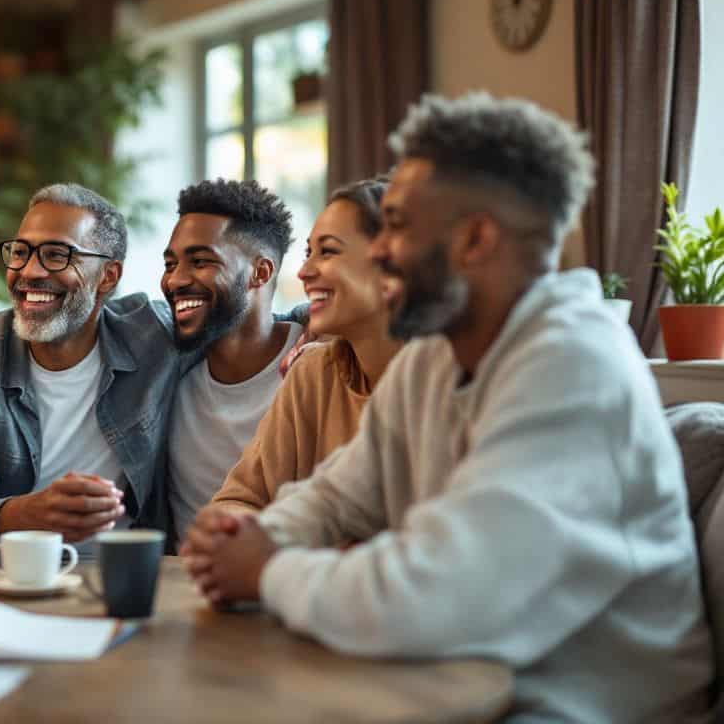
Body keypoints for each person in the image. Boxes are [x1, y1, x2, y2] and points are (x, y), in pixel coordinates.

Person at [184, 93, 713, 721]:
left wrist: (267, 573)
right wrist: (256, 535)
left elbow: (441, 596)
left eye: (400, 226)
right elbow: (339, 496)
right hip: (457, 687)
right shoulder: (433, 358)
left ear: (474, 239)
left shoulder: (575, 365)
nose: (379, 251)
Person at [0, 183, 182, 549]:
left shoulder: (153, 335)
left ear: (108, 275)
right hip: (13, 571)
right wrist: (31, 513)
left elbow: (255, 322)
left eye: (56, 255)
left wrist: (298, 326)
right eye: (20, 252)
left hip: (130, 569)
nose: (29, 271)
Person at [206, 176, 401, 513]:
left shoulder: (449, 383)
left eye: (328, 251)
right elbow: (237, 501)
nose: (304, 271)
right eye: (309, 252)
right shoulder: (312, 374)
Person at [162, 178, 301, 540]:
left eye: (201, 261)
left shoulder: (317, 366)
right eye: (170, 263)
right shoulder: (163, 373)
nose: (175, 280)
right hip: (179, 586)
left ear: (261, 272)